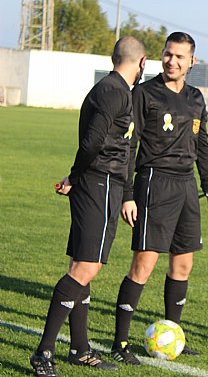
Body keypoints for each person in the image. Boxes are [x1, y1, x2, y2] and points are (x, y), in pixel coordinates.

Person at [30, 36, 147, 376]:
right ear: (140, 63)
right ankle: (43, 352)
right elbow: (93, 140)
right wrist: (76, 175)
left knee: (84, 266)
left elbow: (123, 149)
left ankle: (80, 349)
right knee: (85, 267)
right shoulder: (112, 91)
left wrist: (125, 191)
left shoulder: (119, 91)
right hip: (97, 181)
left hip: (107, 185)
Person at [110, 32, 208, 364]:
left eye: (179, 57)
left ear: (192, 61)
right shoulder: (144, 94)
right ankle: (120, 342)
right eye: (167, 54)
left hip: (187, 186)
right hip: (154, 183)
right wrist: (128, 194)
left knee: (183, 265)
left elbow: (202, 145)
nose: (172, 61)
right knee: (144, 265)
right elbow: (129, 145)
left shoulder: (196, 98)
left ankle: (174, 332)